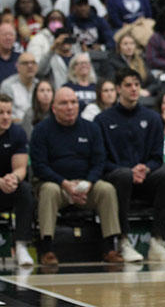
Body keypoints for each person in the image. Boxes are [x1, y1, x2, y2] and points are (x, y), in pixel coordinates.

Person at [30, 87, 123, 265]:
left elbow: (99, 161)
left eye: (73, 102)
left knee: (107, 189)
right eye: (64, 103)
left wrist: (88, 183)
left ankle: (109, 247)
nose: (70, 107)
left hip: (85, 186)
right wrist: (65, 184)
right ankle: (47, 249)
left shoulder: (91, 128)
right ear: (54, 107)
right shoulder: (41, 130)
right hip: (57, 186)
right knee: (48, 190)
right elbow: (39, 166)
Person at [96, 68, 165, 262]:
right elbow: (100, 160)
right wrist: (128, 170)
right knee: (124, 175)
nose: (133, 89)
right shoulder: (102, 120)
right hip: (117, 177)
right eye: (128, 85)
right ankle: (123, 241)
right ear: (118, 89)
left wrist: (146, 168)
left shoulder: (152, 118)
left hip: (145, 176)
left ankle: (158, 241)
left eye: (136, 85)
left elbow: (158, 156)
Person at [0, 94, 34, 266]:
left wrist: (13, 178)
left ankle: (21, 246)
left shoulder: (17, 132)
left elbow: (21, 167)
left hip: (8, 187)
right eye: (1, 112)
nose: (6, 117)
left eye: (8, 112)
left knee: (25, 189)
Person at [0, 52, 38, 122]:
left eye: (33, 63)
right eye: (25, 63)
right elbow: (6, 114)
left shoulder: (39, 86)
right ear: (18, 67)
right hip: (15, 127)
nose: (30, 66)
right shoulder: (8, 85)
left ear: (37, 66)